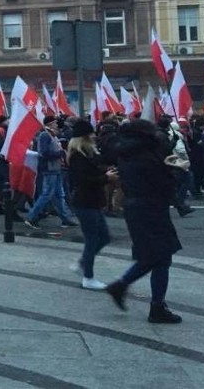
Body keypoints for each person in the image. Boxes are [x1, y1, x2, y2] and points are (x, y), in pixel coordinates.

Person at [105, 119, 183, 324]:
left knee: (158, 256)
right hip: (151, 207)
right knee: (158, 255)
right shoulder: (146, 154)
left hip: (137, 207)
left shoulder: (127, 151)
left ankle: (151, 301)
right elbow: (162, 183)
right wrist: (176, 169)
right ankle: (143, 298)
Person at [66, 119, 115, 290]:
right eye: (91, 133)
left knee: (104, 237)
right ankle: (88, 277)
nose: (94, 136)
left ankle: (82, 263)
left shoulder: (88, 153)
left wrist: (105, 172)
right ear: (84, 137)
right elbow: (83, 180)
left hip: (92, 201)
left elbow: (98, 165)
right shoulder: (78, 156)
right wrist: (106, 178)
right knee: (92, 239)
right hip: (85, 201)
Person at [24, 116, 79, 230]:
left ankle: (65, 219)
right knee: (47, 194)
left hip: (56, 168)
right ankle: (31, 217)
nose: (57, 124)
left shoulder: (53, 135)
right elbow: (43, 153)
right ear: (49, 124)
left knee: (59, 195)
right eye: (54, 123)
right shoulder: (45, 135)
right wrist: (59, 153)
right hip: (49, 169)